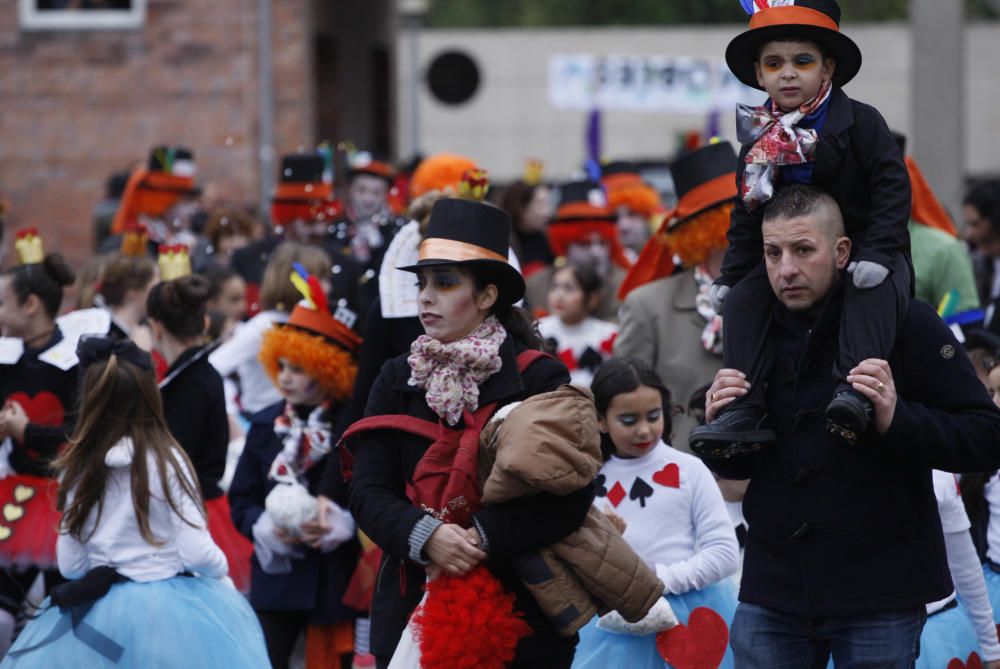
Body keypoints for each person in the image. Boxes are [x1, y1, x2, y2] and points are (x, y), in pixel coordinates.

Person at [697, 185, 1000, 666]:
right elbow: (740, 471)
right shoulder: (752, 325)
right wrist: (721, 426)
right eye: (772, 253)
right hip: (773, 588)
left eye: (802, 250)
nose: (785, 269)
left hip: (879, 589)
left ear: (842, 252)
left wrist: (897, 417)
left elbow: (987, 437)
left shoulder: (907, 322)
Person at [347, 198, 591, 668]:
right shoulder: (396, 378)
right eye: (421, 284)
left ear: (486, 296)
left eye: (444, 283)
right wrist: (426, 535)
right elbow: (367, 489)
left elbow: (572, 495)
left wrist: (481, 536)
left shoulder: (539, 377)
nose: (425, 297)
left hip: (519, 610)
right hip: (412, 605)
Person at [693, 0, 913, 454]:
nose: (788, 73)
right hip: (791, 253)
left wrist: (875, 253)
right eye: (774, 63)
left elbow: (893, 189)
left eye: (802, 61)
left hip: (869, 251)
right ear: (758, 73)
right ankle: (743, 403)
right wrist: (732, 276)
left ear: (827, 68)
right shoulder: (758, 136)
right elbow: (745, 212)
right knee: (744, 299)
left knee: (868, 291)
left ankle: (854, 391)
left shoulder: (863, 122)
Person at [1, 336, 269, 668]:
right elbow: (196, 551)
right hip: (171, 613)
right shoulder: (168, 459)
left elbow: (71, 565)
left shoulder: (78, 465)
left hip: (99, 615)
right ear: (151, 398)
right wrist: (221, 575)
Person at [229, 268, 363, 669]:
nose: (285, 378)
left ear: (327, 369)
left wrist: (346, 522)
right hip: (277, 580)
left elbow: (372, 490)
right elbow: (242, 497)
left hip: (333, 580)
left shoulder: (350, 427)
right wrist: (263, 526)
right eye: (281, 366)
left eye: (298, 369)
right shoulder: (268, 424)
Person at [573, 357, 739, 669]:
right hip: (608, 624)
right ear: (600, 420)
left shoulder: (690, 470)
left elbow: (725, 553)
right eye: (628, 420)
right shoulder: (583, 479)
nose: (644, 430)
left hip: (687, 615)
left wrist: (657, 580)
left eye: (653, 416)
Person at [616, 142, 737, 451]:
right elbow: (619, 402)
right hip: (679, 475)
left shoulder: (779, 296)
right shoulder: (648, 306)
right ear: (713, 229)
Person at [147, 274, 254, 594]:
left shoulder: (187, 381)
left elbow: (174, 458)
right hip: (198, 506)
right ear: (206, 322)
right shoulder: (202, 373)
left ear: (155, 328)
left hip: (187, 512)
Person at [0, 242, 79, 656]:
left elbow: (80, 430)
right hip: (12, 495)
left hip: (61, 498)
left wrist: (26, 430)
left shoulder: (72, 361)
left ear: (30, 305)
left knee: (60, 614)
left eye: (1, 303)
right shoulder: (7, 359)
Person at [210, 241, 332, 416]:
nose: (329, 288)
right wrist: (230, 416)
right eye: (322, 279)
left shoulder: (313, 322)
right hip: (263, 420)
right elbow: (214, 367)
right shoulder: (264, 325)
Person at [526, 180, 632, 322]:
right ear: (564, 246)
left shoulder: (626, 284)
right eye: (584, 244)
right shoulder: (536, 286)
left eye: (602, 243)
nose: (596, 252)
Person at [538, 262, 617, 387]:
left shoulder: (608, 334)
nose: (558, 295)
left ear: (592, 299)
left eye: (569, 288)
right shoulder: (539, 330)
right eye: (554, 287)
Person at [601, 161, 662, 262]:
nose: (624, 226)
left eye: (632, 214)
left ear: (647, 216)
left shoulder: (670, 261)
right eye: (614, 218)